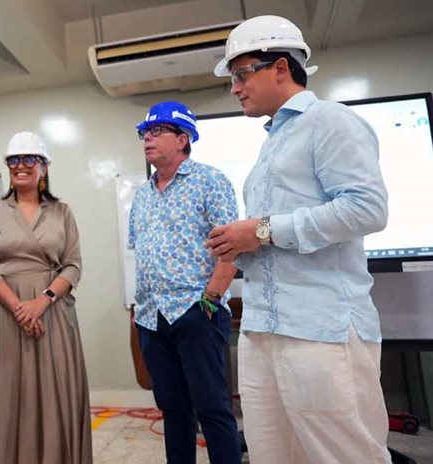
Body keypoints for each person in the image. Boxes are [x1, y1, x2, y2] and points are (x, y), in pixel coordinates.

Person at [205, 15, 391, 464]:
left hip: (319, 330)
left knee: (346, 455)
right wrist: (238, 247)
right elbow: (271, 241)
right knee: (274, 454)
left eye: (242, 74)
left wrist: (262, 230)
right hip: (262, 328)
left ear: (281, 68)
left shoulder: (330, 121)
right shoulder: (272, 142)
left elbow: (367, 209)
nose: (235, 88)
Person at [0, 131, 92, 464]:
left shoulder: (62, 212)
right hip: (5, 313)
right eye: (13, 161)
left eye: (28, 159)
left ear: (44, 167)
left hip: (52, 314)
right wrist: (20, 308)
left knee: (53, 394)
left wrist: (42, 301)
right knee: (4, 395)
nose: (20, 166)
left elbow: (73, 267)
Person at [128, 101, 241, 464]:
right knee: (174, 410)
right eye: (145, 132)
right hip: (151, 317)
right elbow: (140, 250)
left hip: (196, 312)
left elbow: (230, 251)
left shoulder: (211, 180)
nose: (147, 138)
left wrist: (207, 304)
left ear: (183, 139)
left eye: (157, 131)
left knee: (212, 409)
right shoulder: (141, 195)